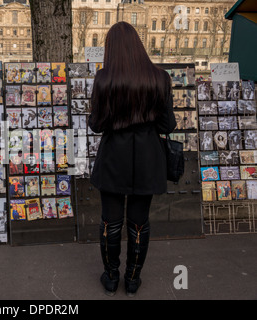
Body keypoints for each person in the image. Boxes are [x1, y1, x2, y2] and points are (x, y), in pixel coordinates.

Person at [88, 22, 176, 297]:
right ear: (138, 45)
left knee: (110, 222)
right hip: (148, 158)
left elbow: (96, 125)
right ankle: (133, 280)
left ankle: (112, 277)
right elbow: (167, 125)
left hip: (114, 157)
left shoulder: (104, 79)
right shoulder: (159, 78)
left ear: (111, 48)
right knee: (139, 222)